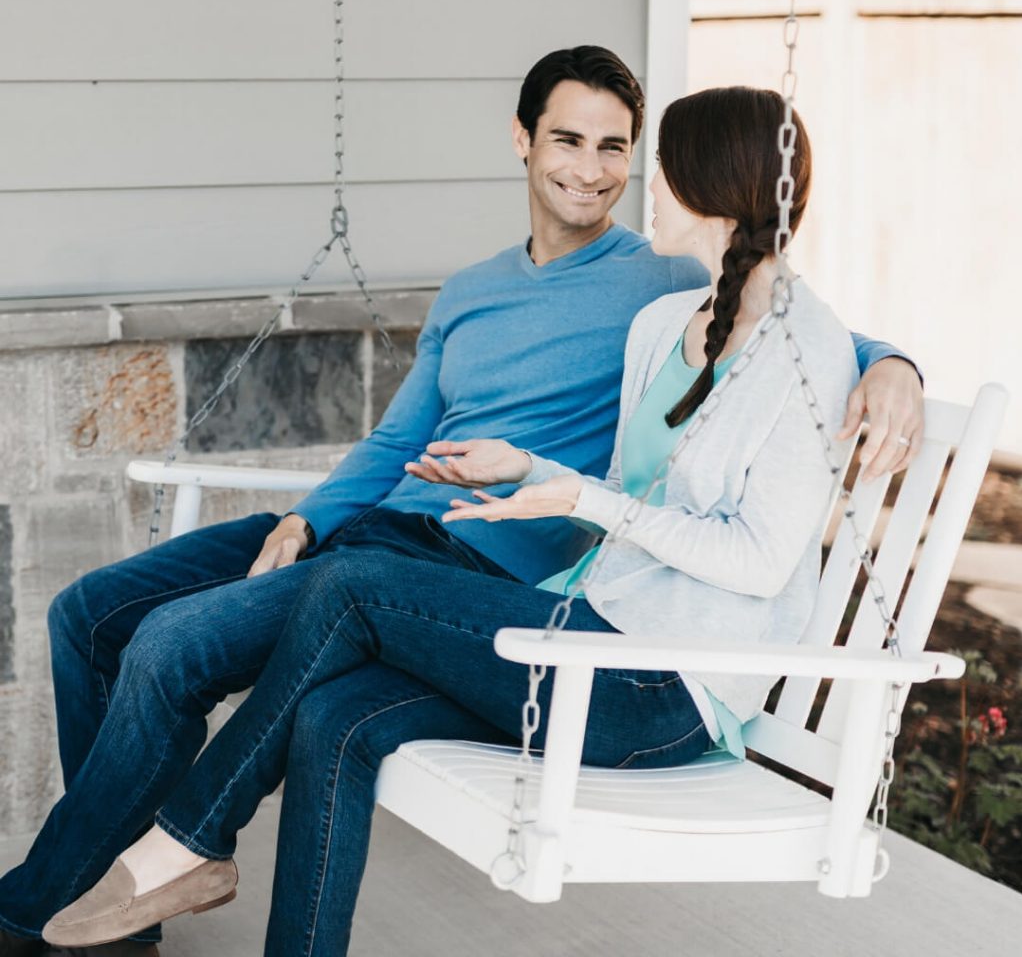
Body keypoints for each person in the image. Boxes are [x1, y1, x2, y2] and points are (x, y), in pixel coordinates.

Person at [0, 46, 920, 957]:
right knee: (93, 614)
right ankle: (119, 909)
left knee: (176, 643)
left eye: (619, 150)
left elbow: (797, 334)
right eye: (570, 141)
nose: (598, 173)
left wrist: (894, 367)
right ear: (522, 141)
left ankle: (59, 898)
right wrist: (308, 516)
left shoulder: (667, 276)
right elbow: (404, 440)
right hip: (400, 534)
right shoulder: (513, 297)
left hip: (482, 567)